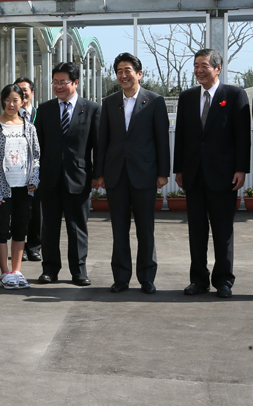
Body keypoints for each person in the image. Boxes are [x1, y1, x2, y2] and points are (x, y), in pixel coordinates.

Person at [173, 49, 251, 298]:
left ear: (218, 68)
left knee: (223, 230)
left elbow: (242, 137)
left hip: (224, 175)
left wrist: (241, 169)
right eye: (196, 65)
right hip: (194, 175)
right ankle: (198, 280)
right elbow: (182, 136)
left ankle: (224, 281)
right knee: (196, 230)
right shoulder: (186, 97)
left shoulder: (234, 95)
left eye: (204, 65)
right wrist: (179, 169)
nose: (199, 70)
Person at [96, 53, 170, 294]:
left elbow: (162, 140)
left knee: (145, 229)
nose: (123, 75)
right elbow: (103, 140)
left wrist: (162, 172)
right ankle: (121, 277)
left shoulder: (155, 101)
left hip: (145, 174)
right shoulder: (109, 102)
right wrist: (100, 173)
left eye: (128, 70)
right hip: (116, 174)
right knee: (119, 229)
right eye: (119, 71)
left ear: (139, 73)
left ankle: (147, 277)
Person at [34, 62, 100, 286]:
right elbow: (38, 146)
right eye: (55, 82)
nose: (59, 86)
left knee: (77, 227)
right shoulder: (44, 109)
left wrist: (98, 175)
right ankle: (49, 270)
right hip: (49, 178)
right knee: (49, 227)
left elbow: (97, 146)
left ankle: (79, 271)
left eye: (63, 82)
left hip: (79, 178)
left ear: (75, 83)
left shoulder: (91, 109)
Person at [0, 84, 40, 289]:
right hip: (2, 186)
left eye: (15, 100)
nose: (11, 104)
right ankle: (4, 273)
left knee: (21, 229)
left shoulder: (29, 127)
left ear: (22, 101)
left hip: (24, 187)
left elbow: (36, 156)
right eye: (8, 100)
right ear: (2, 101)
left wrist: (34, 179)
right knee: (1, 230)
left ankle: (17, 271)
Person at [15, 77, 42, 262]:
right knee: (19, 211)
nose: (23, 93)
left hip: (37, 170)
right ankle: (20, 247)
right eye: (19, 90)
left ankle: (34, 246)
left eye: (26, 90)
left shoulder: (42, 114)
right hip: (16, 171)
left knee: (37, 211)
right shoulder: (11, 117)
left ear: (32, 93)